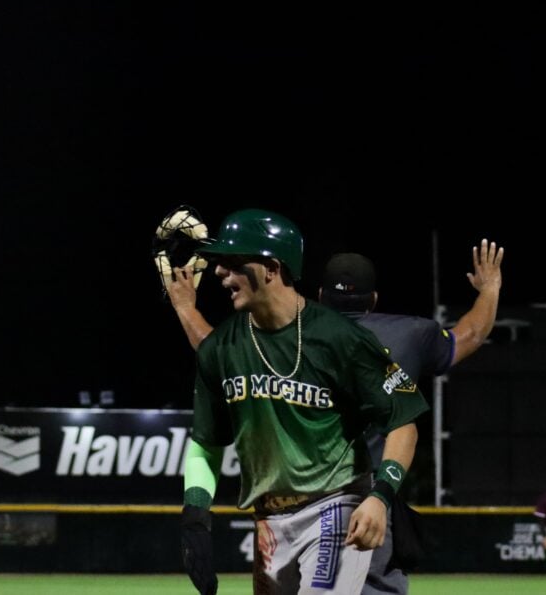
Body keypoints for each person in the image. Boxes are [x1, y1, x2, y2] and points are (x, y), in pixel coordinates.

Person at [167, 240, 504, 595]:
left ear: (320, 294)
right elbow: (471, 333)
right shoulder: (410, 334)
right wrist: (490, 289)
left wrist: (186, 308)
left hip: (340, 501)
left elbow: (216, 352)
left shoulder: (293, 336)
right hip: (375, 499)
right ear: (374, 299)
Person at [179, 209, 428, 595]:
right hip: (269, 520)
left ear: (271, 268)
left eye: (231, 262)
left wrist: (381, 496)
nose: (219, 273)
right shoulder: (220, 349)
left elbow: (403, 421)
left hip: (335, 505)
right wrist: (195, 514)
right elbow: (205, 443)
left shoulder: (339, 338)